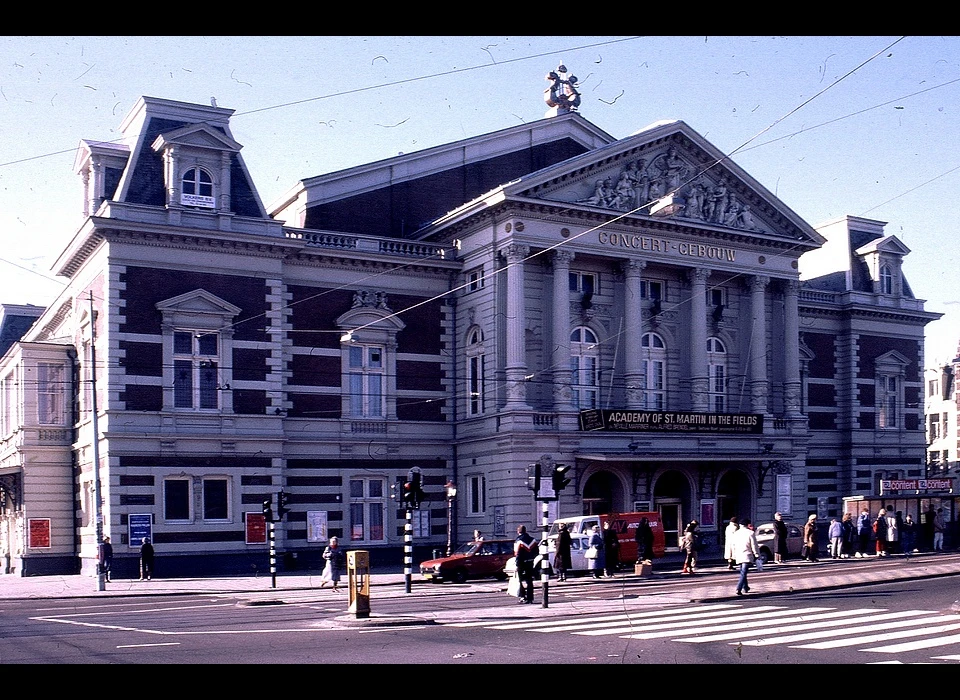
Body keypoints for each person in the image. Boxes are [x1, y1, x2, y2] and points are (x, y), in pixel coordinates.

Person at [732, 517, 759, 596]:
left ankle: (746, 587)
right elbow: (754, 545)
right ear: (747, 524)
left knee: (743, 572)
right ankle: (738, 588)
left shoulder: (736, 533)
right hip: (747, 555)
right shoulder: (750, 533)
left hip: (738, 555)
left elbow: (733, 545)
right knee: (743, 573)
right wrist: (757, 555)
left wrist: (733, 555)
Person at [514, 525, 538, 602]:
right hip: (530, 562)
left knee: (521, 580)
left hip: (522, 563)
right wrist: (532, 558)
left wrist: (517, 564)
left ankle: (523, 596)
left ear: (518, 532)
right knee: (529, 581)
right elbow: (537, 552)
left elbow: (518, 554)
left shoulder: (519, 541)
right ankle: (530, 598)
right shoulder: (532, 540)